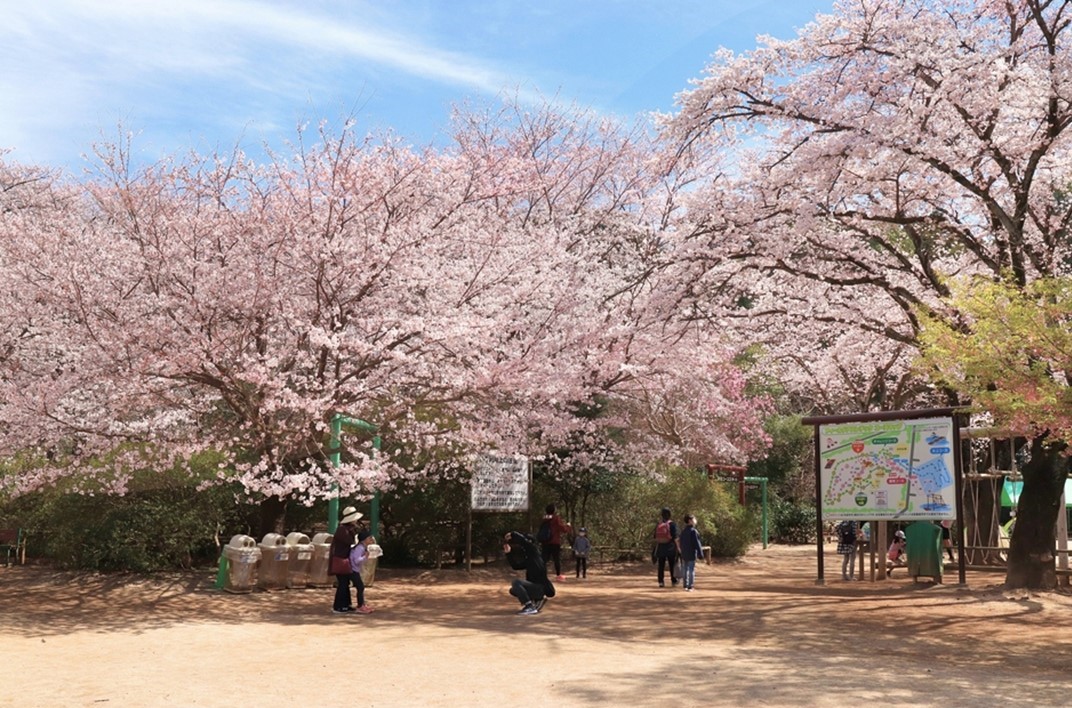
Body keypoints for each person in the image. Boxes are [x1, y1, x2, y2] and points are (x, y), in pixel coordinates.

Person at [504, 530, 556, 615]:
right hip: (536, 587)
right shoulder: (530, 559)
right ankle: (537, 600)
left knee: (516, 582)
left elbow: (525, 542)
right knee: (513, 590)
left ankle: (529, 606)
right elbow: (516, 566)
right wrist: (508, 554)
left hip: (540, 587)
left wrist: (512, 534)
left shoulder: (534, 553)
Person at [331, 505, 363, 614]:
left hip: (345, 559)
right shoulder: (342, 530)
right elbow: (350, 541)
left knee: (345, 583)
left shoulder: (346, 529)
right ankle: (338, 606)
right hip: (340, 559)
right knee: (343, 583)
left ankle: (346, 604)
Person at [538, 503, 572, 581]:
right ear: (554, 510)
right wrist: (568, 526)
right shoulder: (556, 518)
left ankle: (540, 575)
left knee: (544, 559)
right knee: (556, 559)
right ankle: (558, 576)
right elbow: (563, 529)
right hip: (554, 541)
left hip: (545, 541)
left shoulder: (544, 518)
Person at [346, 530, 376, 614]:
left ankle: (362, 604)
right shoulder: (360, 548)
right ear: (364, 539)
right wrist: (365, 557)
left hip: (354, 569)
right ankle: (360, 606)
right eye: (369, 538)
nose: (371, 539)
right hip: (352, 570)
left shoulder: (362, 547)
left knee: (360, 587)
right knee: (360, 587)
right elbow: (356, 560)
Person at [677, 514, 704, 591]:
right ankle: (690, 586)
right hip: (691, 552)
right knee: (691, 569)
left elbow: (680, 541)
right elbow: (697, 543)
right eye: (693, 519)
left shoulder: (683, 531)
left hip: (684, 552)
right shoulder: (693, 531)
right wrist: (700, 553)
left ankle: (685, 585)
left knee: (685, 569)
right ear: (689, 520)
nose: (695, 520)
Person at [653, 507, 679, 587]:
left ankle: (661, 581)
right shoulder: (672, 524)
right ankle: (673, 580)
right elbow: (675, 537)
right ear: (670, 515)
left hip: (661, 547)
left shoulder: (659, 524)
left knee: (661, 565)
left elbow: (655, 536)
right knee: (672, 564)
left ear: (662, 515)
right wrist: (678, 548)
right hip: (670, 547)